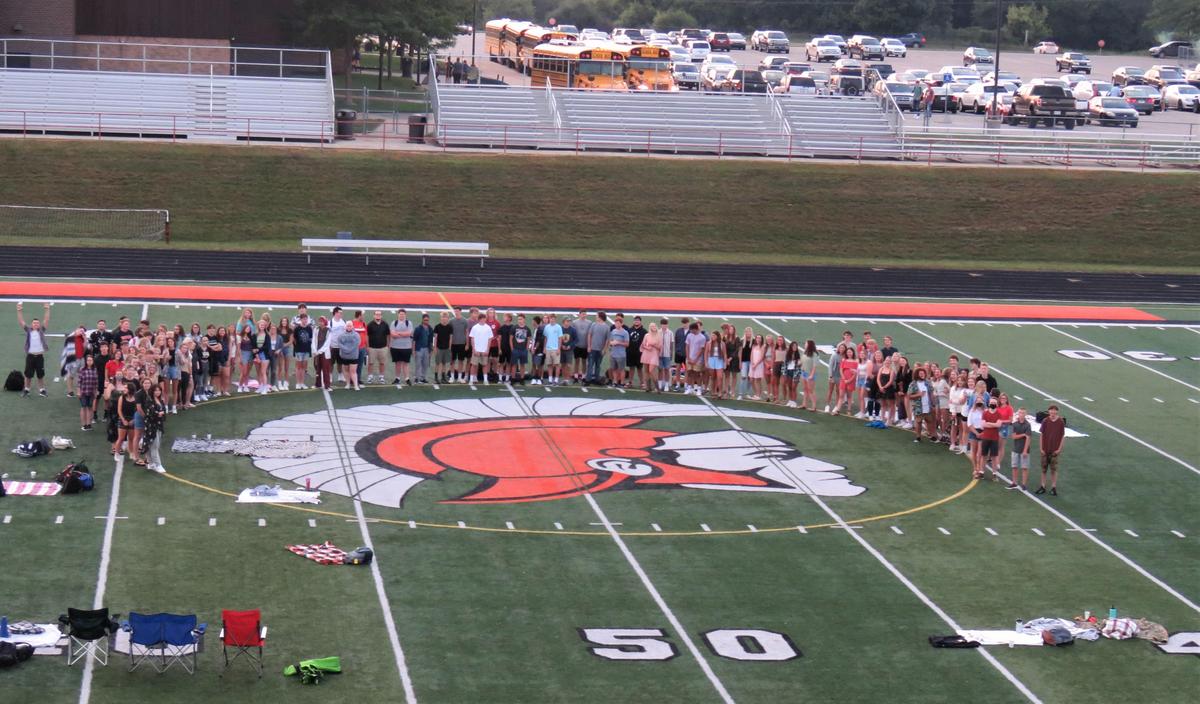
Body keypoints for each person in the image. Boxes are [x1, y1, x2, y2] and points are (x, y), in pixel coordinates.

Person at [16, 302, 51, 397]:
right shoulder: (28, 330)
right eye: (34, 323)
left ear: (39, 325)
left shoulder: (41, 330)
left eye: (37, 323)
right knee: (28, 375)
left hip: (39, 356)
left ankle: (42, 390)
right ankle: (27, 389)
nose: (36, 324)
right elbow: (21, 321)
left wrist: (47, 308)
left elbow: (46, 320)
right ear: (31, 325)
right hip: (30, 356)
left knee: (40, 375)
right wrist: (19, 310)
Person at [1036, 405, 1066, 496]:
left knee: (1053, 469)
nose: (1052, 413)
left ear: (1057, 412)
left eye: (1054, 412)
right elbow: (1041, 434)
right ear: (1049, 412)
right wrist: (1041, 448)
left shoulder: (1060, 422)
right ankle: (1043, 486)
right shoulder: (1045, 421)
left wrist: (1059, 449)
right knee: (1044, 469)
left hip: (1054, 450)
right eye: (1051, 411)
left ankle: (1053, 487)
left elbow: (1062, 436)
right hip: (1045, 449)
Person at [141, 382, 168, 474]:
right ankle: (158, 464)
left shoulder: (161, 400)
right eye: (155, 390)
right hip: (151, 426)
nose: (157, 392)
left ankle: (151, 463)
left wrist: (161, 413)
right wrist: (158, 414)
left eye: (159, 390)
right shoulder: (149, 400)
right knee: (154, 445)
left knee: (153, 445)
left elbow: (163, 410)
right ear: (152, 391)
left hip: (159, 425)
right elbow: (150, 412)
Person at [907, 367, 935, 442]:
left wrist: (933, 404)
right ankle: (918, 437)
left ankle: (932, 436)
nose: (922, 375)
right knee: (918, 422)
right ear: (917, 375)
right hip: (918, 407)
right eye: (920, 374)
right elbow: (909, 396)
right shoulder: (913, 384)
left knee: (929, 421)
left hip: (927, 406)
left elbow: (931, 393)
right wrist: (919, 395)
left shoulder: (928, 382)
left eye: (923, 373)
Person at [387, 309, 413, 386]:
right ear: (398, 315)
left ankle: (407, 378)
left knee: (406, 363)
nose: (401, 315)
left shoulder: (409, 323)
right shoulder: (394, 323)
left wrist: (398, 333)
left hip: (406, 347)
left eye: (403, 314)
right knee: (397, 363)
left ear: (405, 315)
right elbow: (392, 334)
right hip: (395, 346)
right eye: (400, 314)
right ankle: (397, 378)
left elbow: (409, 333)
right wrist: (403, 334)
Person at [1008, 407, 1032, 491]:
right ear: (1018, 413)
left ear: (1025, 414)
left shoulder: (1028, 425)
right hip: (1015, 449)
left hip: (1024, 450)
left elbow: (1028, 438)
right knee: (1014, 466)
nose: (1021, 414)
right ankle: (1014, 482)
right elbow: (1013, 436)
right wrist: (1022, 435)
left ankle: (1024, 484)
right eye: (1020, 412)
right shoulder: (1015, 424)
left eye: (1023, 413)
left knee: (1024, 467)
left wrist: (1025, 450)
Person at [468, 313, 494, 385]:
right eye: (482, 318)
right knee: (473, 365)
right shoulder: (475, 327)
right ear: (479, 319)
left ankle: (485, 380)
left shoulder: (488, 328)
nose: (483, 320)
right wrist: (474, 349)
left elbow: (489, 339)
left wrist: (487, 349)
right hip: (476, 349)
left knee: (485, 365)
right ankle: (471, 380)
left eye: (484, 318)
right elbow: (472, 339)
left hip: (484, 350)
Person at [335, 318, 361, 390]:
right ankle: (348, 384)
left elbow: (357, 343)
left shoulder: (356, 335)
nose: (349, 327)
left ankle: (356, 385)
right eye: (347, 326)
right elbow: (339, 343)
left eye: (350, 326)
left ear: (352, 327)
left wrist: (349, 349)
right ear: (345, 327)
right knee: (346, 371)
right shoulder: (341, 335)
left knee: (353, 371)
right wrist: (346, 349)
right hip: (344, 356)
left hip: (353, 356)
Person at [585, 312, 610, 384]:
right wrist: (589, 346)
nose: (596, 317)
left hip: (600, 350)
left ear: (600, 317)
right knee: (590, 365)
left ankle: (596, 379)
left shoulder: (607, 327)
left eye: (597, 316)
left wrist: (604, 349)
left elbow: (607, 340)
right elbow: (589, 335)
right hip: (592, 348)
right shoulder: (593, 325)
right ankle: (588, 380)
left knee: (598, 365)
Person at [77, 354, 98, 431]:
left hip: (91, 392)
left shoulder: (94, 370)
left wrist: (96, 392)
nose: (89, 362)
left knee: (89, 407)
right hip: (83, 391)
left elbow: (96, 382)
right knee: (83, 407)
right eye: (88, 360)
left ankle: (89, 424)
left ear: (93, 361)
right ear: (86, 361)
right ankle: (84, 424)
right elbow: (79, 382)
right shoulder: (82, 369)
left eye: (91, 360)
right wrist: (78, 391)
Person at [608, 315, 631, 387]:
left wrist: (618, 343)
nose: (617, 324)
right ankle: (615, 381)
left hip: (621, 354)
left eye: (618, 323)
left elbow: (627, 344)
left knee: (621, 369)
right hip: (613, 353)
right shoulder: (613, 331)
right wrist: (612, 343)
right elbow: (610, 341)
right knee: (614, 369)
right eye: (616, 323)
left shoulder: (625, 332)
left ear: (621, 324)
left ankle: (622, 382)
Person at [449, 307, 470, 383]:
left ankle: (460, 377)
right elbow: (449, 333)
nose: (456, 312)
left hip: (462, 343)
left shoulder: (465, 321)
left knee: (461, 361)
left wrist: (467, 344)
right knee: (452, 361)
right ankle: (452, 377)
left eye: (457, 311)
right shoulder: (451, 321)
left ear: (460, 311)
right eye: (455, 311)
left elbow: (467, 333)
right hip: (453, 344)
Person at [293, 314, 313, 389]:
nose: (305, 320)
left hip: (306, 350)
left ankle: (302, 383)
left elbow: (311, 339)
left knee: (304, 367)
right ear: (300, 319)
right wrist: (296, 348)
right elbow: (294, 339)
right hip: (299, 350)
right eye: (303, 319)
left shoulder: (309, 328)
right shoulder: (297, 328)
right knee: (298, 367)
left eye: (306, 319)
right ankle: (298, 383)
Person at [542, 313, 563, 385]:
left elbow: (560, 338)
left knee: (557, 365)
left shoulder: (558, 327)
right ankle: (550, 379)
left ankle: (556, 379)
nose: (552, 319)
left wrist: (558, 348)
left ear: (555, 319)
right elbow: (545, 338)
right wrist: (544, 348)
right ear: (549, 319)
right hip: (548, 349)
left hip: (555, 349)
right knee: (549, 364)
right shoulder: (546, 327)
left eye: (553, 318)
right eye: (551, 318)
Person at [313, 316, 334, 389]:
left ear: (325, 322)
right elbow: (314, 340)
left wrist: (320, 351)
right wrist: (314, 350)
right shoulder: (316, 329)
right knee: (317, 368)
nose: (320, 323)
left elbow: (327, 343)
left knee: (326, 369)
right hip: (317, 352)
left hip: (325, 353)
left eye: (322, 321)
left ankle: (327, 385)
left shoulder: (329, 330)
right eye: (319, 321)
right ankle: (318, 384)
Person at [433, 311, 453, 384]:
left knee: (444, 363)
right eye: (443, 317)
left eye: (446, 317)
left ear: (448, 318)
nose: (444, 319)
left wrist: (450, 347)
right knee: (438, 363)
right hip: (439, 348)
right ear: (440, 318)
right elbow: (435, 338)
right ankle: (436, 377)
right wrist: (435, 347)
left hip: (446, 348)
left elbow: (451, 338)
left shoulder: (450, 327)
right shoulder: (437, 327)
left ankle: (443, 378)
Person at [641, 322, 662, 392]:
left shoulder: (659, 336)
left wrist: (653, 345)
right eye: (652, 326)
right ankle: (648, 387)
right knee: (646, 371)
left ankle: (657, 387)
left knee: (651, 370)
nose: (653, 327)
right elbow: (643, 345)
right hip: (646, 354)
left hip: (654, 354)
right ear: (650, 328)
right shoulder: (646, 335)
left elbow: (660, 347)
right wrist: (647, 348)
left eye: (654, 326)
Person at [510, 314, 531, 384]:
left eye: (521, 319)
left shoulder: (527, 329)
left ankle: (522, 379)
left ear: (524, 319)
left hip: (523, 350)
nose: (519, 320)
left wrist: (526, 348)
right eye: (518, 319)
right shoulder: (514, 328)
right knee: (514, 365)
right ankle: (513, 378)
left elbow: (528, 339)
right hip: (515, 349)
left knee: (522, 365)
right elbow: (511, 339)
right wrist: (512, 348)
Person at [412, 313, 433, 384]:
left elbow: (430, 341)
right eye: (425, 320)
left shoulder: (430, 329)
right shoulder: (418, 329)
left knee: (425, 364)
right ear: (422, 320)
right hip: (419, 348)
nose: (426, 321)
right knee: (418, 364)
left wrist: (431, 350)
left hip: (427, 349)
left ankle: (423, 377)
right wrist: (413, 350)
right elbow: (414, 340)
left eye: (427, 320)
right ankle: (417, 378)